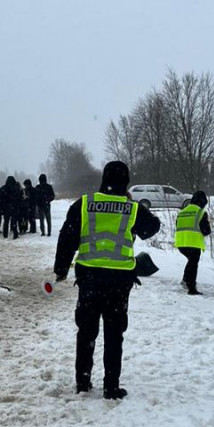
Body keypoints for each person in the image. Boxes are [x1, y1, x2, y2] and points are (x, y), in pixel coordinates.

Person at [54, 161, 160, 400]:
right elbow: (153, 227)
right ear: (126, 182)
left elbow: (67, 237)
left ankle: (83, 382)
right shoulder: (131, 209)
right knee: (114, 333)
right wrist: (130, 204)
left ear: (103, 180)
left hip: (89, 279)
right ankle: (111, 386)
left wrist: (61, 268)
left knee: (86, 332)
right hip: (119, 281)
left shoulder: (84, 204)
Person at [174, 191, 212, 295]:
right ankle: (191, 287)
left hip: (181, 243)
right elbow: (206, 231)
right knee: (193, 263)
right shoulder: (200, 212)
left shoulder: (182, 212)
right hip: (193, 242)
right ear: (203, 201)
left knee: (191, 261)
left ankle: (185, 280)